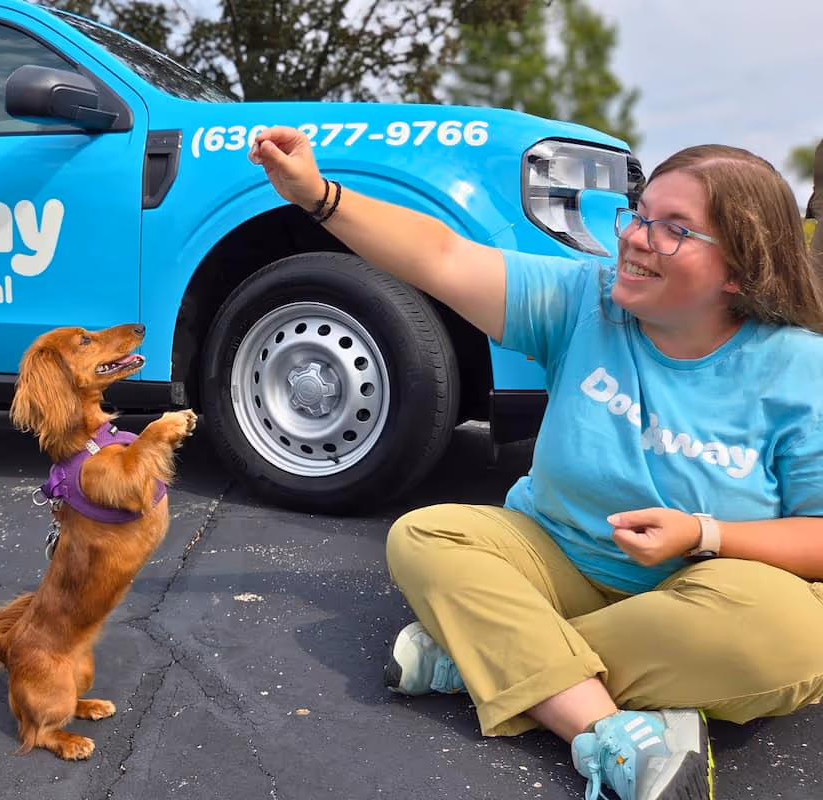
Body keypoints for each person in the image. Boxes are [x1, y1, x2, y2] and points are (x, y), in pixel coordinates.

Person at [249, 126, 823, 800]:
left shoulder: (799, 369)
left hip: (705, 588)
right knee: (427, 538)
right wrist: (318, 196)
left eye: (673, 229)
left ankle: (483, 655)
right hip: (556, 561)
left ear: (739, 266)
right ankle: (603, 731)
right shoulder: (586, 300)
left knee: (790, 636)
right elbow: (442, 256)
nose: (636, 239)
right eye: (639, 216)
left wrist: (703, 534)